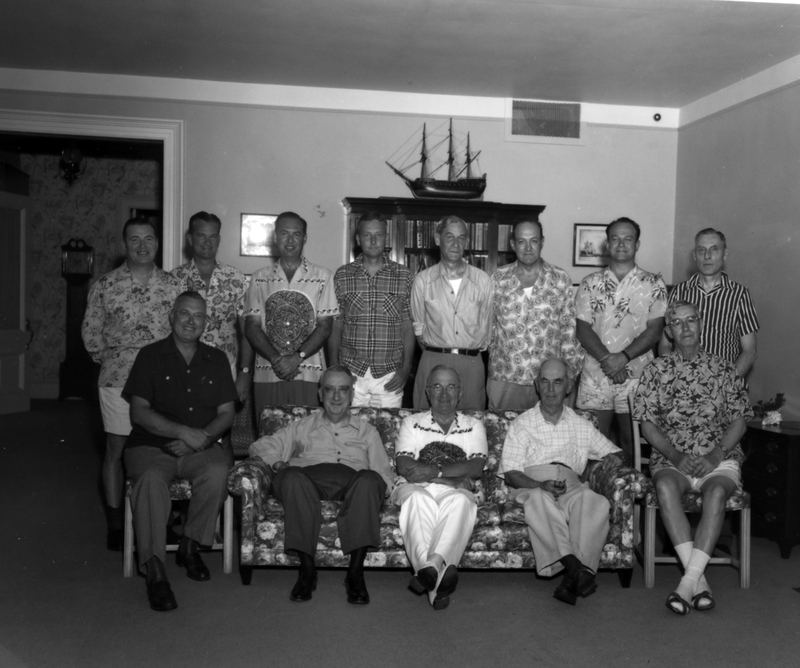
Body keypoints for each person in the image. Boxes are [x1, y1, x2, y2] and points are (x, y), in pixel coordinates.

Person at [633, 300, 752, 615]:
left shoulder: (725, 369)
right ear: (669, 332)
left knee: (715, 493)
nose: (685, 327)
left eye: (691, 320)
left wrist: (716, 455)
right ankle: (697, 582)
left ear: (701, 325)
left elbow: (740, 419)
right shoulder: (655, 370)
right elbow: (647, 424)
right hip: (672, 458)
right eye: (677, 322)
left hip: (719, 457)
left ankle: (687, 584)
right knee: (665, 488)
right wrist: (673, 453)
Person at [123, 291, 238, 611]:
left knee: (218, 472)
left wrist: (199, 437)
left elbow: (227, 412)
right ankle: (156, 570)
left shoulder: (215, 360)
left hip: (199, 447)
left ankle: (189, 545)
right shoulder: (150, 356)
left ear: (206, 322)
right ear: (172, 316)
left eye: (198, 316)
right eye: (185, 314)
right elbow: (139, 412)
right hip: (150, 446)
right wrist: (181, 432)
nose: (191, 321)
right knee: (148, 480)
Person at [248, 365, 394, 605]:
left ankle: (355, 574)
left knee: (370, 479)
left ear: (351, 393)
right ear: (320, 394)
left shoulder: (368, 432)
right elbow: (260, 446)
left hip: (353, 483)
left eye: (343, 390)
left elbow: (384, 475)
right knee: (293, 477)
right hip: (307, 481)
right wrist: (279, 465)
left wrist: (375, 490)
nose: (336, 397)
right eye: (329, 390)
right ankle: (307, 572)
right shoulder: (301, 426)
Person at [82, 217, 180, 551]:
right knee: (116, 450)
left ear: (157, 243)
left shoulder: (172, 285)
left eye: (148, 239)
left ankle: (160, 521)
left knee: (160, 451)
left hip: (163, 384)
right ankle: (115, 524)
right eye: (134, 240)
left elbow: (184, 334)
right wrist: (118, 363)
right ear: (124, 244)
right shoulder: (106, 285)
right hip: (117, 381)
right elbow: (92, 336)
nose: (142, 246)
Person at [499, 358, 623, 605]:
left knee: (595, 501)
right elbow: (512, 473)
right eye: (544, 381)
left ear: (568, 386)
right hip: (531, 485)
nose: (551, 389)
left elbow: (616, 452)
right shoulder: (522, 424)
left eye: (557, 382)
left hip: (572, 486)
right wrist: (540, 485)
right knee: (538, 499)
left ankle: (571, 577)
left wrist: (614, 460)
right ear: (536, 385)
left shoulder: (581, 424)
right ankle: (575, 566)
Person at [392, 365, 487, 610]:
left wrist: (435, 473)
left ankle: (431, 567)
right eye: (437, 386)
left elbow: (476, 467)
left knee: (462, 502)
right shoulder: (411, 423)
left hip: (455, 491)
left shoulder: (474, 425)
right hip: (414, 488)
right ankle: (437, 580)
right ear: (427, 391)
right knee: (417, 500)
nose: (444, 394)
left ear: (460, 392)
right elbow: (405, 466)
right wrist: (449, 477)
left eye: (451, 387)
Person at [575, 217, 667, 457]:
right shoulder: (589, 283)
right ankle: (594, 494)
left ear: (637, 245)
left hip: (636, 376)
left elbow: (655, 329)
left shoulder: (653, 283)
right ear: (607, 244)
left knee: (631, 445)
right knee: (593, 445)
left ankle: (628, 493)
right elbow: (582, 329)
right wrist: (610, 361)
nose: (621, 244)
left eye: (628, 239)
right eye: (615, 238)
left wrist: (623, 357)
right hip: (596, 374)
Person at [245, 211, 338, 416]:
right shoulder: (259, 279)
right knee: (269, 440)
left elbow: (325, 326)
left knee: (308, 441)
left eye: (296, 234)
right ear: (275, 237)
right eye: (284, 233)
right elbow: (252, 327)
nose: (290, 240)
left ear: (304, 238)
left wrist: (297, 357)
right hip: (268, 373)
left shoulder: (323, 277)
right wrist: (277, 359)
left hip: (310, 375)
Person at [488, 218, 583, 410]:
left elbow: (569, 332)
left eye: (534, 241)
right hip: (506, 376)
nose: (528, 247)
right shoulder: (497, 278)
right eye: (522, 241)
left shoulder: (560, 279)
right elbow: (488, 327)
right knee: (502, 434)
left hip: (548, 380)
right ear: (513, 244)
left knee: (550, 437)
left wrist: (570, 376)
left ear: (542, 242)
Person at [329, 211, 415, 407]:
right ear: (358, 239)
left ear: (386, 238)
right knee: (349, 434)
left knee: (387, 433)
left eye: (379, 235)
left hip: (389, 375)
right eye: (368, 235)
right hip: (351, 373)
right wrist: (335, 368)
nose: (374, 241)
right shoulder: (343, 275)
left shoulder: (404, 276)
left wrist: (405, 368)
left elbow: (408, 325)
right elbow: (336, 324)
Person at [410, 215, 493, 410]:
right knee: (426, 424)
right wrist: (440, 352)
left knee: (471, 425)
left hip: (471, 363)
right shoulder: (422, 281)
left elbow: (487, 326)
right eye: (450, 237)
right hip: (433, 360)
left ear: (467, 242)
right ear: (438, 240)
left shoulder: (483, 280)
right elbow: (419, 328)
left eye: (461, 238)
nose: (456, 244)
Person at [172, 211, 254, 407]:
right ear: (190, 239)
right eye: (201, 235)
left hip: (226, 367)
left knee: (222, 428)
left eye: (213, 236)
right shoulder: (174, 279)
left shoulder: (236, 279)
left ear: (219, 239)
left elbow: (247, 331)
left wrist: (244, 373)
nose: (207, 242)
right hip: (182, 366)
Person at [659, 228, 758, 379]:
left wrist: (724, 386)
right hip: (683, 384)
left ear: (724, 254)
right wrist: (677, 377)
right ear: (694, 255)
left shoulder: (739, 294)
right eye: (701, 250)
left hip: (723, 385)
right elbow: (665, 344)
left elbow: (749, 351)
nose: (707, 256)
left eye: (714, 249)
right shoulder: (679, 291)